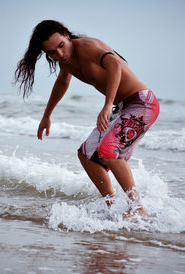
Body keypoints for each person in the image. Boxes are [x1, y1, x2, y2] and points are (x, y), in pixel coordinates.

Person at [15, 20, 159, 220]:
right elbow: (63, 81)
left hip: (142, 103)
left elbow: (116, 65)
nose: (60, 54)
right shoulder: (66, 61)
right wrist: (47, 115)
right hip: (124, 107)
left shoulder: (88, 47)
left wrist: (107, 105)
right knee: (86, 155)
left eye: (61, 46)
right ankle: (112, 206)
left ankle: (137, 207)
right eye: (52, 53)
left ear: (66, 35)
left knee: (109, 151)